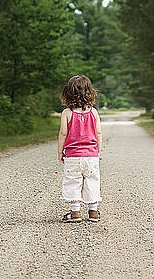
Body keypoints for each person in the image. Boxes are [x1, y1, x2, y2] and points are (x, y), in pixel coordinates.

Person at [58, 74, 102, 222]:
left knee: (73, 181)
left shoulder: (67, 113)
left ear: (68, 93)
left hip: (73, 156)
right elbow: (98, 133)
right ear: (90, 92)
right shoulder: (94, 112)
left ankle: (75, 212)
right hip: (91, 155)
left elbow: (63, 133)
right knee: (92, 180)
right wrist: (98, 151)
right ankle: (93, 212)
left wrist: (60, 152)